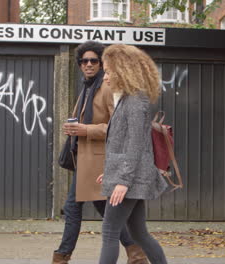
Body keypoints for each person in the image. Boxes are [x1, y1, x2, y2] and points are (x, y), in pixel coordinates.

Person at [52, 41, 148, 264]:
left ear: (102, 64)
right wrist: (73, 127)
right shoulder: (87, 87)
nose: (88, 65)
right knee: (104, 210)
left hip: (100, 162)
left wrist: (86, 130)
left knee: (72, 207)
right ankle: (136, 254)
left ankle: (61, 257)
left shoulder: (106, 88)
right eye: (84, 61)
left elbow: (119, 126)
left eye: (93, 61)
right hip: (85, 162)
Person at [97, 44, 169, 264]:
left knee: (109, 231)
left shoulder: (136, 101)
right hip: (128, 177)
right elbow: (122, 143)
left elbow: (136, 144)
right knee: (139, 234)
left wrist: (122, 180)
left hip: (130, 180)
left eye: (108, 71)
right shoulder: (128, 98)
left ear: (122, 70)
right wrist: (109, 173)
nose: (105, 77)